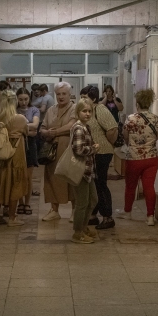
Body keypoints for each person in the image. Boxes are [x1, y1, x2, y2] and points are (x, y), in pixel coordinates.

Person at [118, 88, 158, 226]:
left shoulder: (131, 119)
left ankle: (128, 212)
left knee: (130, 186)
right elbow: (157, 136)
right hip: (151, 158)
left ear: (137, 103)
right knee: (149, 187)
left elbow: (125, 137)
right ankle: (150, 217)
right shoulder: (156, 119)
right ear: (149, 103)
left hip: (134, 158)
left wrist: (132, 145)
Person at [82, 85, 120, 229]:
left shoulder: (100, 110)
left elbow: (112, 128)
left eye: (85, 97)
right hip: (94, 152)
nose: (82, 100)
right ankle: (93, 215)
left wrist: (106, 144)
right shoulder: (89, 111)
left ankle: (108, 217)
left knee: (101, 184)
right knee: (94, 183)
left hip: (102, 152)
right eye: (81, 97)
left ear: (94, 98)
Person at [40, 82, 77, 221]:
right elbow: (42, 128)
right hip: (52, 151)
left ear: (69, 94)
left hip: (69, 150)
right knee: (52, 180)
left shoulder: (74, 108)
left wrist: (55, 132)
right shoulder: (51, 110)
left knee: (71, 179)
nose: (61, 97)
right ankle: (54, 210)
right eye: (58, 94)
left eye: (64, 94)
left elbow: (72, 125)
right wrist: (45, 133)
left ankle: (74, 210)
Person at [0, 90, 29, 227]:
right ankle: (12, 218)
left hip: (1, 154)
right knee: (16, 184)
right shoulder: (20, 118)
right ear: (15, 102)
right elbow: (27, 131)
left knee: (0, 184)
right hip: (16, 153)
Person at [69, 97, 100, 244]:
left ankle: (84, 226)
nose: (87, 114)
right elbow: (78, 149)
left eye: (89, 111)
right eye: (84, 111)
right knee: (82, 203)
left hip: (88, 170)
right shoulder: (79, 128)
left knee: (93, 200)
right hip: (80, 171)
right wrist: (93, 149)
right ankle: (78, 232)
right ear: (78, 112)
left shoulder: (86, 126)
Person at [17, 87, 40, 214]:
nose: (23, 102)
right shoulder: (14, 110)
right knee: (19, 175)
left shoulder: (34, 110)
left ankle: (27, 203)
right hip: (17, 144)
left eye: (25, 99)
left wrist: (20, 128)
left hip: (30, 145)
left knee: (28, 176)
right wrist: (28, 130)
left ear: (29, 98)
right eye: (20, 99)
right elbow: (11, 128)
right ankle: (20, 202)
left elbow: (35, 126)